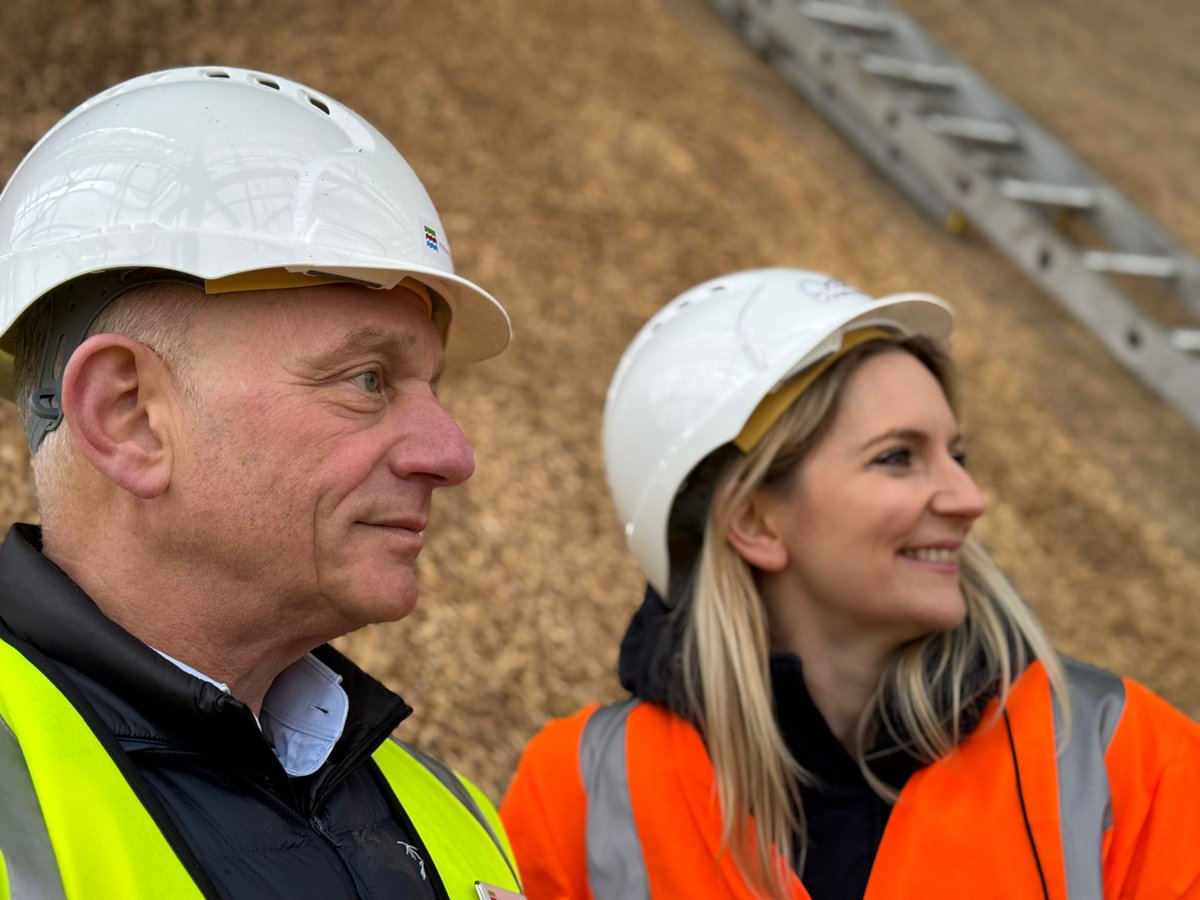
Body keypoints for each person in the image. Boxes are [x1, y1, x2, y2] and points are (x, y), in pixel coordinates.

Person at [500, 268, 1200, 900]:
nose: (968, 497)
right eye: (898, 458)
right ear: (754, 521)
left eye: (956, 455)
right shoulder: (585, 794)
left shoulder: (1129, 761)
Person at [0, 66, 523, 899]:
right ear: (129, 416)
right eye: (367, 380)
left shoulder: (458, 821)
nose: (452, 453)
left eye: (436, 390)